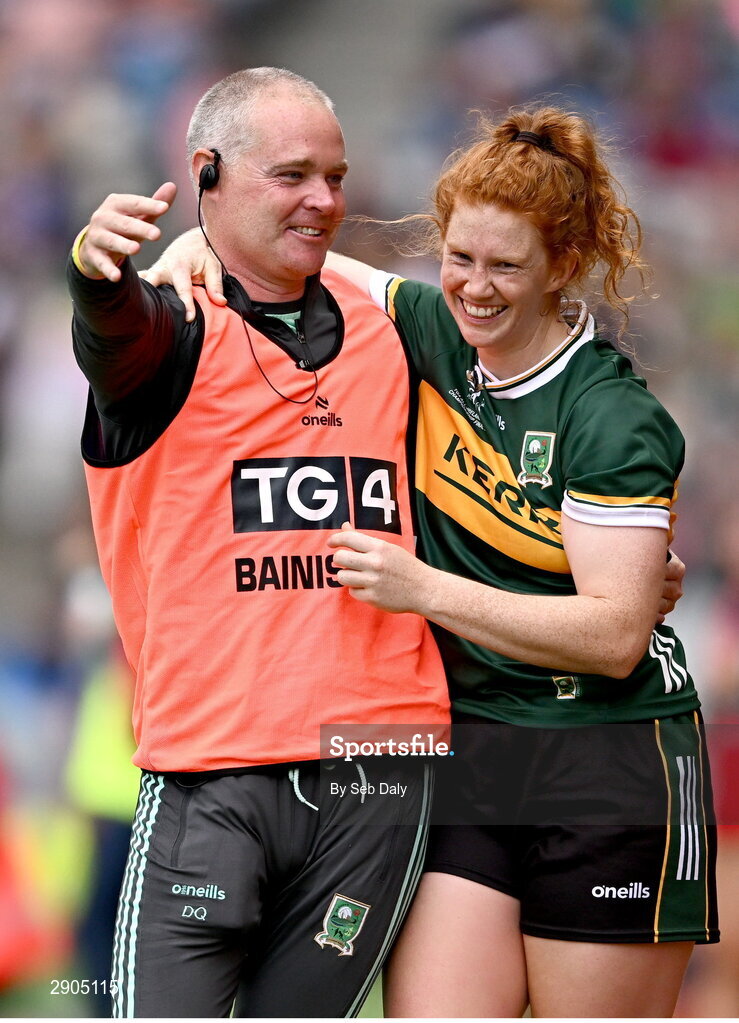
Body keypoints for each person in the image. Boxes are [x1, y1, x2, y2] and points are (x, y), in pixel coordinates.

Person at [148, 104, 715, 1018]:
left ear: (563, 267)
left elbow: (615, 636)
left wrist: (422, 590)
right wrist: (192, 250)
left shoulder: (612, 416)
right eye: (458, 258)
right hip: (465, 753)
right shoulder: (434, 332)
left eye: (504, 266)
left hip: (607, 765)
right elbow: (295, 253)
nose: (474, 288)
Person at [66, 66, 451, 1019]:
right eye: (291, 175)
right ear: (207, 173)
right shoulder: (167, 325)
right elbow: (114, 337)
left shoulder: (392, 330)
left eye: (336, 174)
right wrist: (92, 273)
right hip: (215, 767)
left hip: (384, 756)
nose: (325, 199)